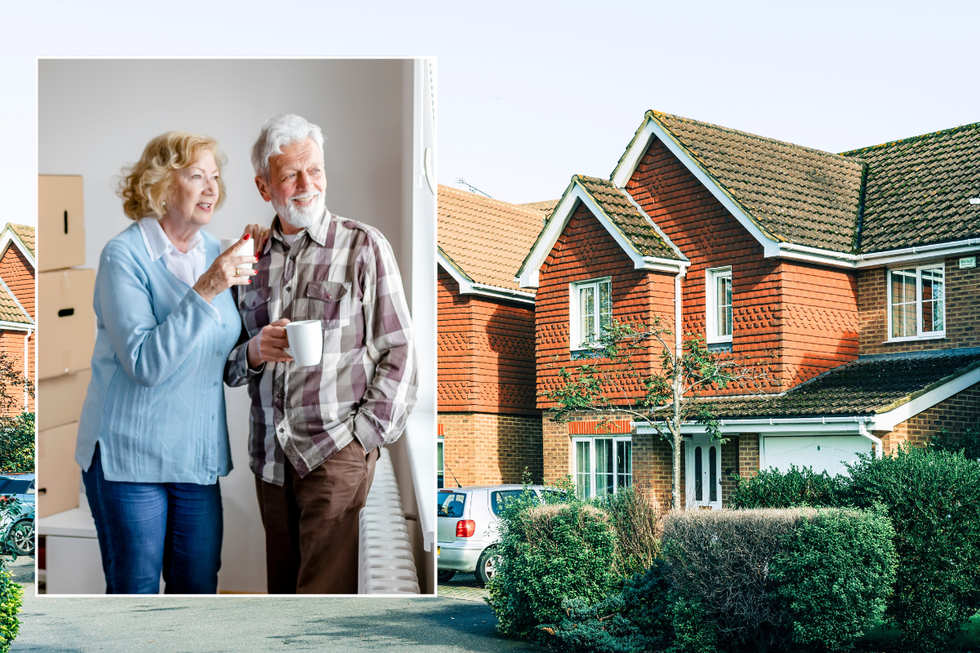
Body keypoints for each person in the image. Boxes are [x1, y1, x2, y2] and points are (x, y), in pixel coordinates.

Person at [224, 114, 417, 594]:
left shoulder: (364, 246)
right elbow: (224, 365)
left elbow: (401, 353)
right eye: (289, 175)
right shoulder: (248, 257)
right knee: (283, 599)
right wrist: (254, 349)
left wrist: (363, 439)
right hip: (269, 459)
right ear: (264, 185)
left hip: (335, 454)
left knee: (320, 609)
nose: (306, 185)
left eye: (314, 170)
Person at [75, 131, 257, 594]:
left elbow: (213, 349)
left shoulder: (217, 252)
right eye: (197, 175)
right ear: (159, 184)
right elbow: (145, 364)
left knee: (196, 597)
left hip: (195, 455)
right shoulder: (123, 256)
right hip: (129, 456)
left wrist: (258, 350)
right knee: (134, 599)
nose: (212, 187)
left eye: (215, 176)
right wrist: (209, 288)